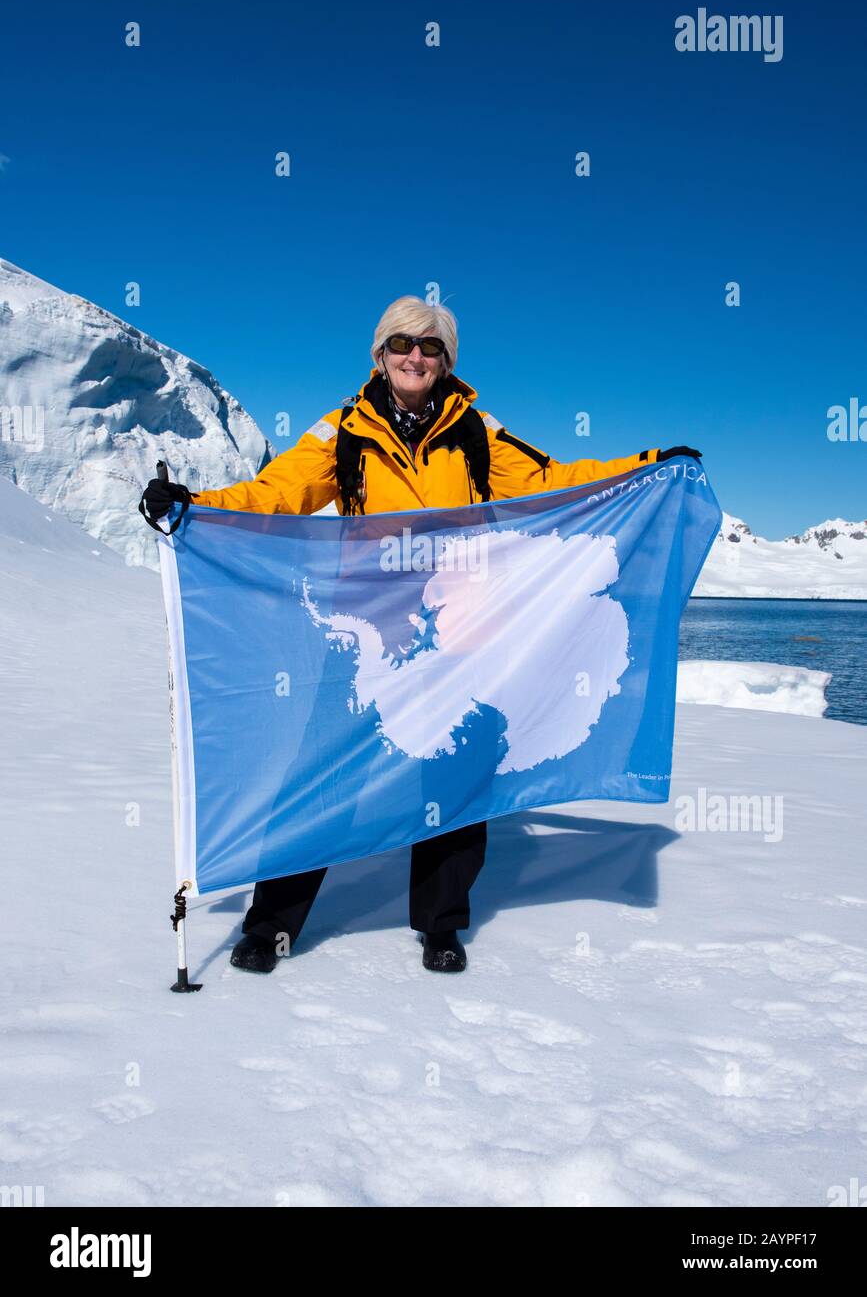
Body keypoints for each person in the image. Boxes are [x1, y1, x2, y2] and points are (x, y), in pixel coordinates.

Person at [140, 296, 700, 975]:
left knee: (457, 771)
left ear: (445, 361)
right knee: (322, 772)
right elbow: (275, 493)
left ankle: (440, 925)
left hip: (458, 628)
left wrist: (644, 466)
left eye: (430, 347)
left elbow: (549, 482)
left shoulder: (476, 431)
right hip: (365, 630)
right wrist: (198, 506)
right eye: (402, 344)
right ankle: (272, 926)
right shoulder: (341, 432)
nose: (415, 356)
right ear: (379, 354)